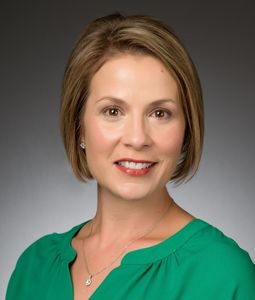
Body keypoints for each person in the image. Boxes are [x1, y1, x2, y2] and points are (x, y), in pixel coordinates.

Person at [6, 12, 255, 300]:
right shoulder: (33, 267)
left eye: (160, 113)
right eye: (113, 111)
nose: (137, 138)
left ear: (187, 129)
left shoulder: (224, 275)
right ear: (79, 126)